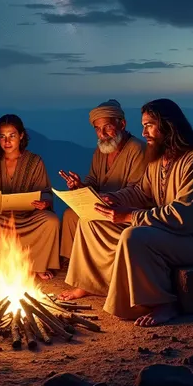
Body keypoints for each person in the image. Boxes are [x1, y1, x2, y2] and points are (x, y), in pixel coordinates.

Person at [60, 98, 193, 326]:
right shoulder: (158, 160)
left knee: (134, 236)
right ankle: (95, 284)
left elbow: (185, 218)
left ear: (167, 126)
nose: (143, 131)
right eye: (143, 125)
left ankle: (162, 303)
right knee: (92, 221)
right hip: (172, 231)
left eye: (149, 125)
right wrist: (112, 199)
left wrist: (130, 216)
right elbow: (141, 192)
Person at [0, 114, 60, 281]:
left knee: (50, 221)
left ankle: (38, 265)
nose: (7, 141)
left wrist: (44, 202)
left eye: (12, 136)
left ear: (21, 135)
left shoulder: (35, 162)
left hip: (28, 218)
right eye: (2, 136)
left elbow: (45, 191)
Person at [59, 99, 146, 270]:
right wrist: (79, 185)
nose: (102, 134)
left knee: (86, 220)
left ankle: (87, 271)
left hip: (121, 210)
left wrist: (110, 199)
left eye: (107, 127)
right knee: (70, 215)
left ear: (122, 124)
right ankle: (73, 265)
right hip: (99, 205)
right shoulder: (101, 150)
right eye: (97, 129)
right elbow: (93, 181)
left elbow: (137, 191)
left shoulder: (137, 149)